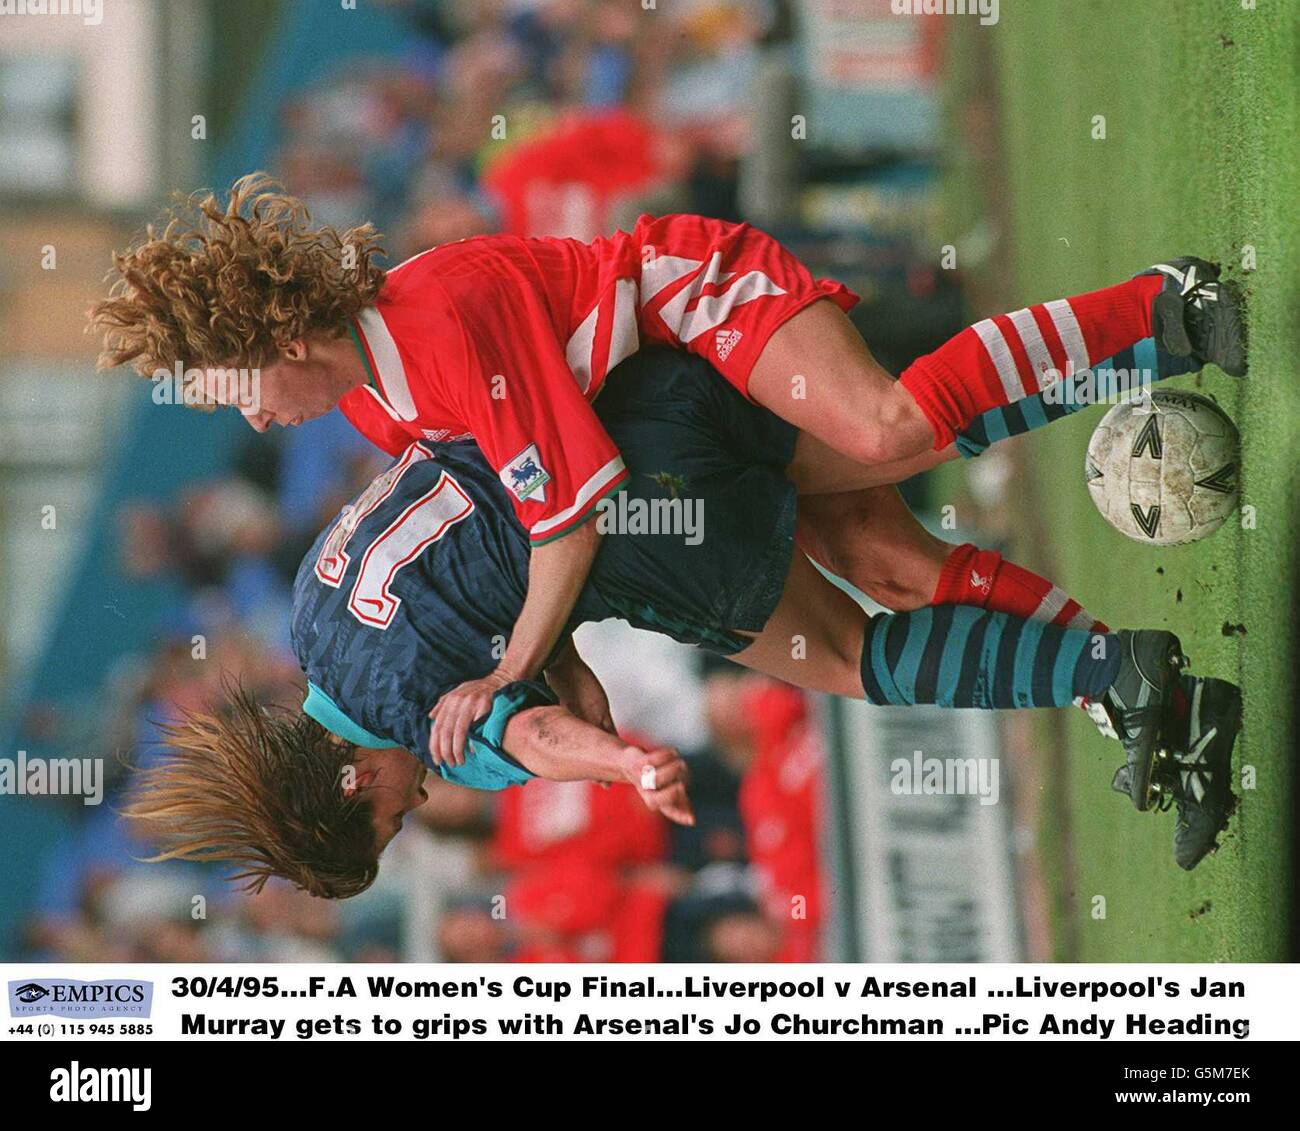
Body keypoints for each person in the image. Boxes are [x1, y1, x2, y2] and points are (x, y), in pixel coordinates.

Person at [91, 176, 1246, 776]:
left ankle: (1161, 304)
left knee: (889, 428)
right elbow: (525, 518)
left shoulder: (429, 325)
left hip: (685, 302)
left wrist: (515, 668)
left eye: (229, 381)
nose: (242, 410)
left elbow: (570, 519)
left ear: (282, 339)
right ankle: (1126, 682)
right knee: (885, 564)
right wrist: (566, 661)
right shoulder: (369, 396)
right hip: (664, 408)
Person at [121, 351, 1240, 898]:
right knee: (890, 509)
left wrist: (619, 765)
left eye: (391, 826)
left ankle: (1127, 664)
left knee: (851, 641)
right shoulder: (315, 611)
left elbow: (534, 735)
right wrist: (564, 670)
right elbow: (472, 570)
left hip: (638, 518)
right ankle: (1145, 679)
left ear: (352, 788)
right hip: (620, 407)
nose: (417, 809)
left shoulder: (410, 723)